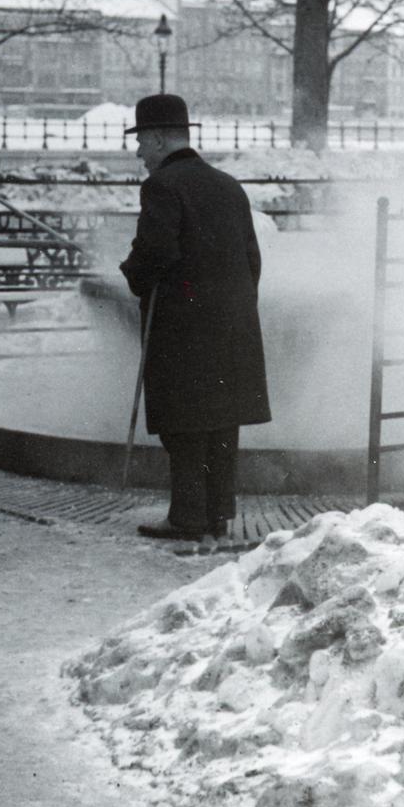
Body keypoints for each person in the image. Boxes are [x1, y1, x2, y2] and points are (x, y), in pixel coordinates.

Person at [119, 93, 271, 543]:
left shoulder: (162, 186)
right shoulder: (228, 184)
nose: (140, 153)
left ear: (161, 139)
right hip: (233, 326)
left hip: (183, 331)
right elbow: (252, 259)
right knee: (222, 423)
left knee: (184, 426)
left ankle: (187, 517)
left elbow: (157, 250)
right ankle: (217, 514)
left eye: (143, 141)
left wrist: (133, 274)